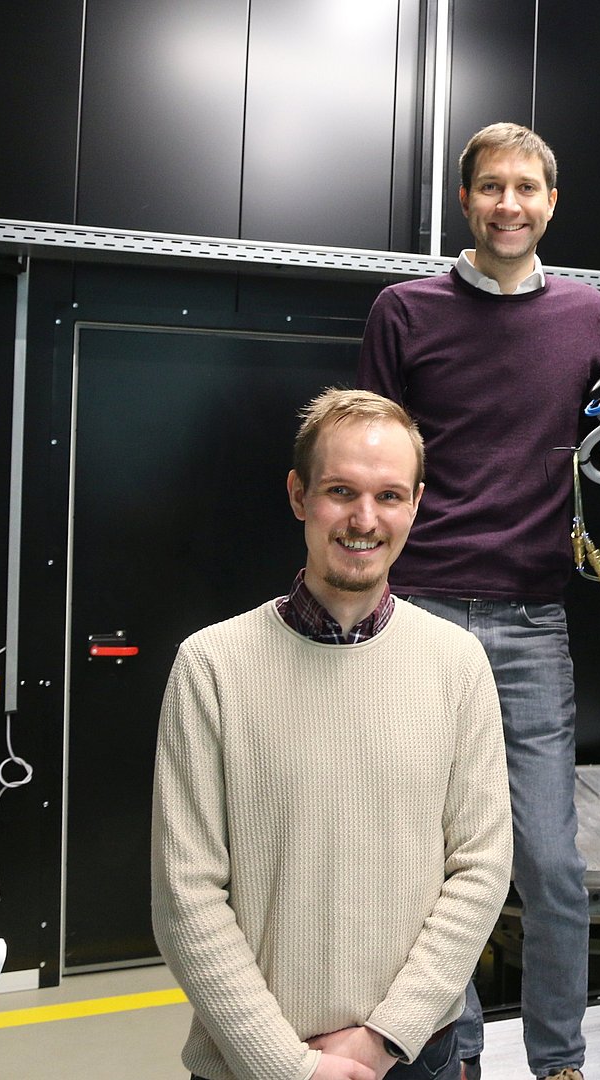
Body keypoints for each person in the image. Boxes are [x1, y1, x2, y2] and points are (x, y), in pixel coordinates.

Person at [358, 122, 600, 1080]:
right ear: (465, 201)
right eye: (491, 188)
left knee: (549, 863)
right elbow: (369, 460)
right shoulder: (405, 310)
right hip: (417, 613)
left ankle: (559, 1061)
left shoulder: (587, 314)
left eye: (527, 188)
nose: (509, 204)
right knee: (428, 868)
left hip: (529, 619)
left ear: (551, 203)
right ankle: (456, 1051)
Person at [151, 389, 512, 1080]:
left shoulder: (456, 663)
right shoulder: (212, 666)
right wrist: (291, 1066)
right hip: (251, 1067)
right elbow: (185, 898)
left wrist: (383, 1037)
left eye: (389, 496)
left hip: (411, 1059)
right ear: (298, 495)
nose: (364, 519)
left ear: (416, 504)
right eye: (340, 491)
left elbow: (482, 867)